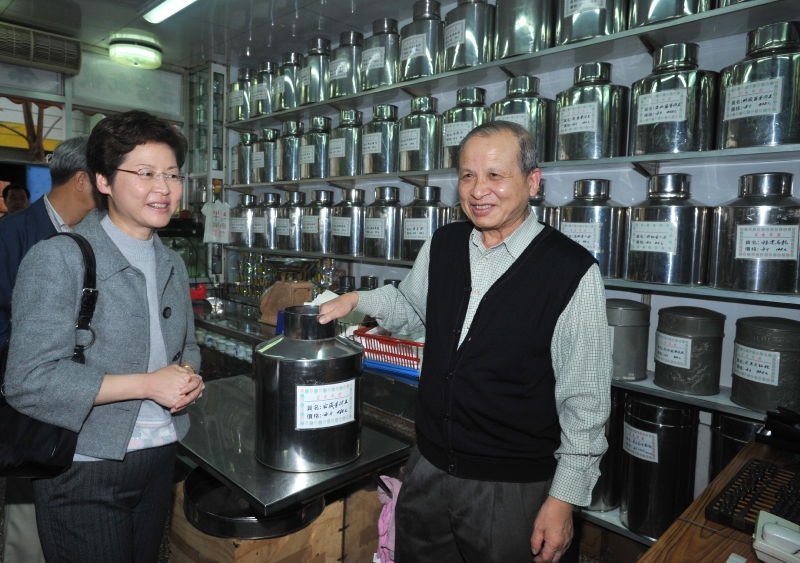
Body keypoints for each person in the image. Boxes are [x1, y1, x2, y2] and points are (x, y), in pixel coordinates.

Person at [319, 121, 612, 563]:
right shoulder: (445, 244)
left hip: (512, 487)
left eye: (495, 175)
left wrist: (563, 500)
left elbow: (585, 400)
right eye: (468, 175)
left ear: (532, 182)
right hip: (428, 468)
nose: (478, 190)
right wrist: (357, 300)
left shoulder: (570, 270)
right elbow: (411, 306)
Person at [5, 110, 204, 563]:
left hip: (160, 456)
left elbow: (187, 346)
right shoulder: (58, 259)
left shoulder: (172, 263)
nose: (163, 187)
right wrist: (147, 384)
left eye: (172, 174)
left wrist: (188, 375)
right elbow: (28, 380)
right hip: (86, 465)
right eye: (145, 173)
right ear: (103, 180)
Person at [0, 136, 95, 563]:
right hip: (30, 394)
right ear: (83, 180)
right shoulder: (12, 234)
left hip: (87, 393)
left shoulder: (99, 233)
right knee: (30, 499)